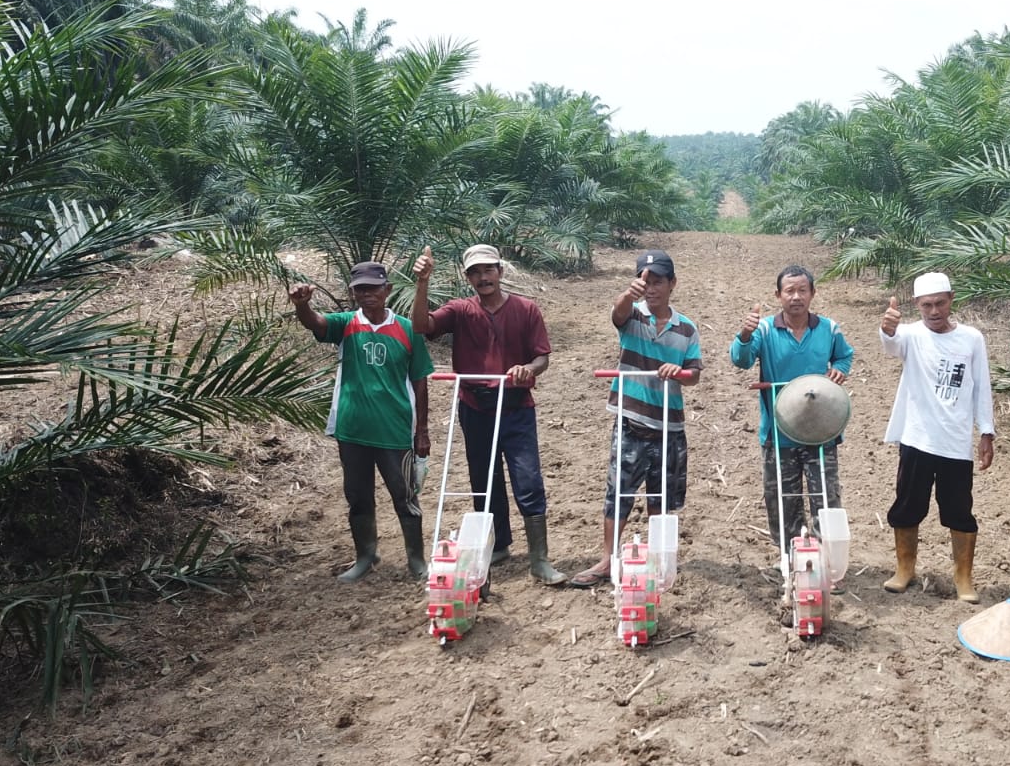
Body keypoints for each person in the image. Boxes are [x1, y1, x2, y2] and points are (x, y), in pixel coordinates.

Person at [412, 243, 568, 586]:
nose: (483, 278)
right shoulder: (460, 310)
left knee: (527, 478)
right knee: (484, 479)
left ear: (500, 271)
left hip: (516, 407)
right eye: (475, 272)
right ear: (467, 277)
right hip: (475, 405)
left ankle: (539, 558)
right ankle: (498, 545)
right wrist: (422, 283)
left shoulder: (526, 309)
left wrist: (528, 369)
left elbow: (542, 357)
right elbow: (421, 326)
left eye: (488, 270)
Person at [289, 262, 433, 581]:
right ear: (353, 293)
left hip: (395, 430)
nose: (367, 295)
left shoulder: (408, 329)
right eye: (360, 289)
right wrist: (303, 304)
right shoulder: (345, 325)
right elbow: (315, 322)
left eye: (373, 288)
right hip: (353, 430)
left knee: (405, 495)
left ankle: (417, 560)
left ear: (387, 290)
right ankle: (365, 556)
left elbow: (421, 380)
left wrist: (422, 431)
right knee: (358, 496)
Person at [569, 248, 704, 588]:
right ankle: (608, 558)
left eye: (658, 281)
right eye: (645, 282)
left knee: (661, 495)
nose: (652, 288)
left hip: (669, 425)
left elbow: (695, 373)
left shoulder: (686, 329)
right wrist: (627, 296)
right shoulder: (632, 317)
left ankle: (659, 558)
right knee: (619, 491)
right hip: (631, 420)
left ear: (672, 284)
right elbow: (617, 314)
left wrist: (680, 373)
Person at [878, 272, 996, 604]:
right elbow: (891, 345)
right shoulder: (910, 335)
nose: (933, 311)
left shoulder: (971, 339)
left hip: (955, 442)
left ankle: (963, 577)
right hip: (917, 439)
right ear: (917, 305)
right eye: (926, 305)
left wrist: (986, 432)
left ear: (951, 300)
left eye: (940, 303)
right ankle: (904, 570)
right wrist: (887, 329)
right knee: (907, 505)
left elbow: (981, 387)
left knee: (959, 509)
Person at [729, 264, 854, 552]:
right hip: (779, 430)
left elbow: (845, 355)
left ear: (812, 294)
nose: (796, 296)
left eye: (802, 290)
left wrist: (839, 369)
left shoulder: (828, 329)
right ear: (778, 295)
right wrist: (744, 336)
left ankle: (828, 559)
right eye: (789, 291)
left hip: (821, 429)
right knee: (782, 496)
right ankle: (789, 557)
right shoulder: (765, 330)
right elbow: (742, 360)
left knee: (826, 495)